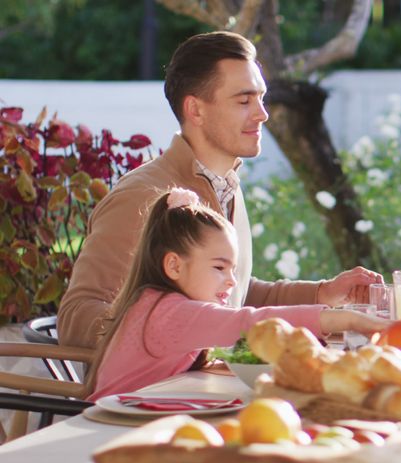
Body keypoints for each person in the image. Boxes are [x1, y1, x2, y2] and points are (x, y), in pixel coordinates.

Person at [58, 31, 382, 350]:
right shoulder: (143, 196)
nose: (263, 114)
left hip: (215, 386)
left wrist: (322, 293)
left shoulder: (227, 187)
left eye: (261, 98)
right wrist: (174, 330)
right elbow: (77, 316)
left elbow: (236, 292)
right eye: (244, 100)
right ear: (196, 110)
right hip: (156, 398)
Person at [88, 189, 386, 401]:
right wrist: (344, 319)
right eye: (219, 267)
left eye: (233, 269)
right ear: (174, 265)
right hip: (101, 433)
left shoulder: (161, 304)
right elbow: (248, 322)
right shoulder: (169, 312)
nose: (231, 281)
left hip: (133, 424)